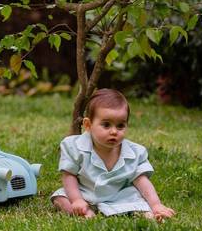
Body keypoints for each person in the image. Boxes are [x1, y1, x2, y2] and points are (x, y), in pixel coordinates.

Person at [51, 89, 176, 221]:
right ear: (88, 125)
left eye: (120, 125)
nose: (114, 131)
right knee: (60, 198)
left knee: (137, 200)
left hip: (119, 195)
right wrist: (76, 199)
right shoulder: (74, 147)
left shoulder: (134, 153)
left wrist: (156, 204)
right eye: (106, 125)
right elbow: (68, 176)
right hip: (85, 192)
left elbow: (142, 181)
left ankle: (147, 214)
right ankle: (85, 212)